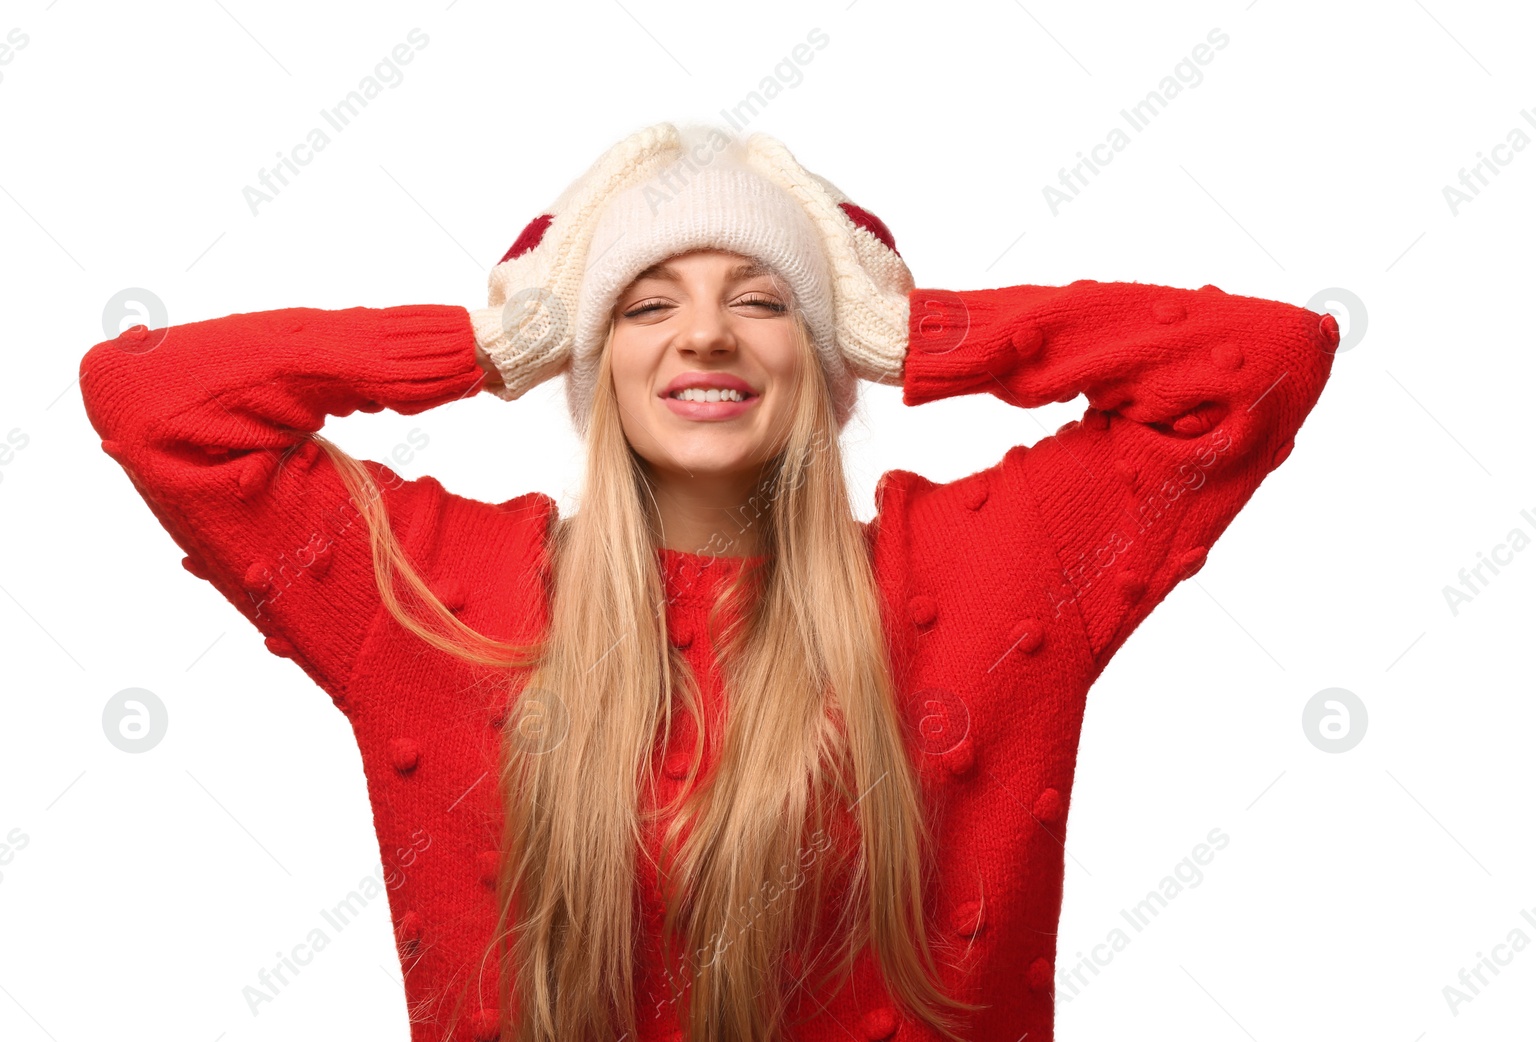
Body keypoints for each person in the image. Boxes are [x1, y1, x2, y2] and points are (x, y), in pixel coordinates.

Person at [78, 121, 1340, 1042]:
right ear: (593, 359)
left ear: (830, 346)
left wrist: (916, 331)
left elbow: (1260, 366)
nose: (704, 334)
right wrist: (493, 339)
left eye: (762, 298)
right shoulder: (446, 599)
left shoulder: (984, 576)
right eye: (640, 305)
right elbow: (151, 406)